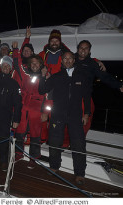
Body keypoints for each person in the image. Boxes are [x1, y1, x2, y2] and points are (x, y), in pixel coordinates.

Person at [38, 51, 91, 185]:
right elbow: (42, 90)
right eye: (65, 59)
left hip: (75, 115)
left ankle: (80, 173)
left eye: (70, 58)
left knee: (78, 144)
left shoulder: (81, 76)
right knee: (55, 142)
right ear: (61, 61)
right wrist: (42, 76)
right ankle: (54, 166)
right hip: (58, 115)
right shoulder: (56, 77)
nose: (67, 61)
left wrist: (86, 114)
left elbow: (87, 96)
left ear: (74, 60)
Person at [12, 52, 50, 169]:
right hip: (23, 110)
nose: (34, 65)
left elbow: (49, 98)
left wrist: (46, 113)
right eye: (32, 63)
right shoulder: (25, 76)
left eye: (36, 63)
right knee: (19, 133)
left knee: (35, 136)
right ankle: (18, 154)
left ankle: (33, 158)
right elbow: (17, 64)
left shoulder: (46, 78)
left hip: (36, 111)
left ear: (40, 65)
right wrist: (15, 50)